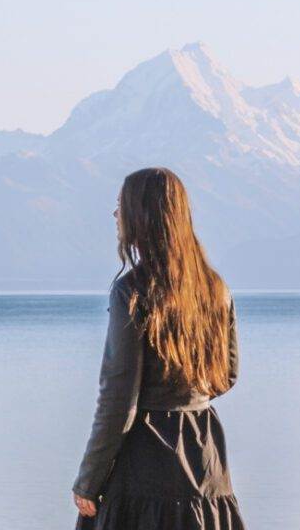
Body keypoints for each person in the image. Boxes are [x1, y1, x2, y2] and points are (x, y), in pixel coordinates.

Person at [71, 167, 247, 528]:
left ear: (141, 215)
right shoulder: (216, 288)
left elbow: (119, 398)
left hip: (143, 466)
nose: (115, 214)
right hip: (206, 458)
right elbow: (226, 376)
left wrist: (88, 481)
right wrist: (184, 398)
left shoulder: (131, 292)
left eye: (121, 205)